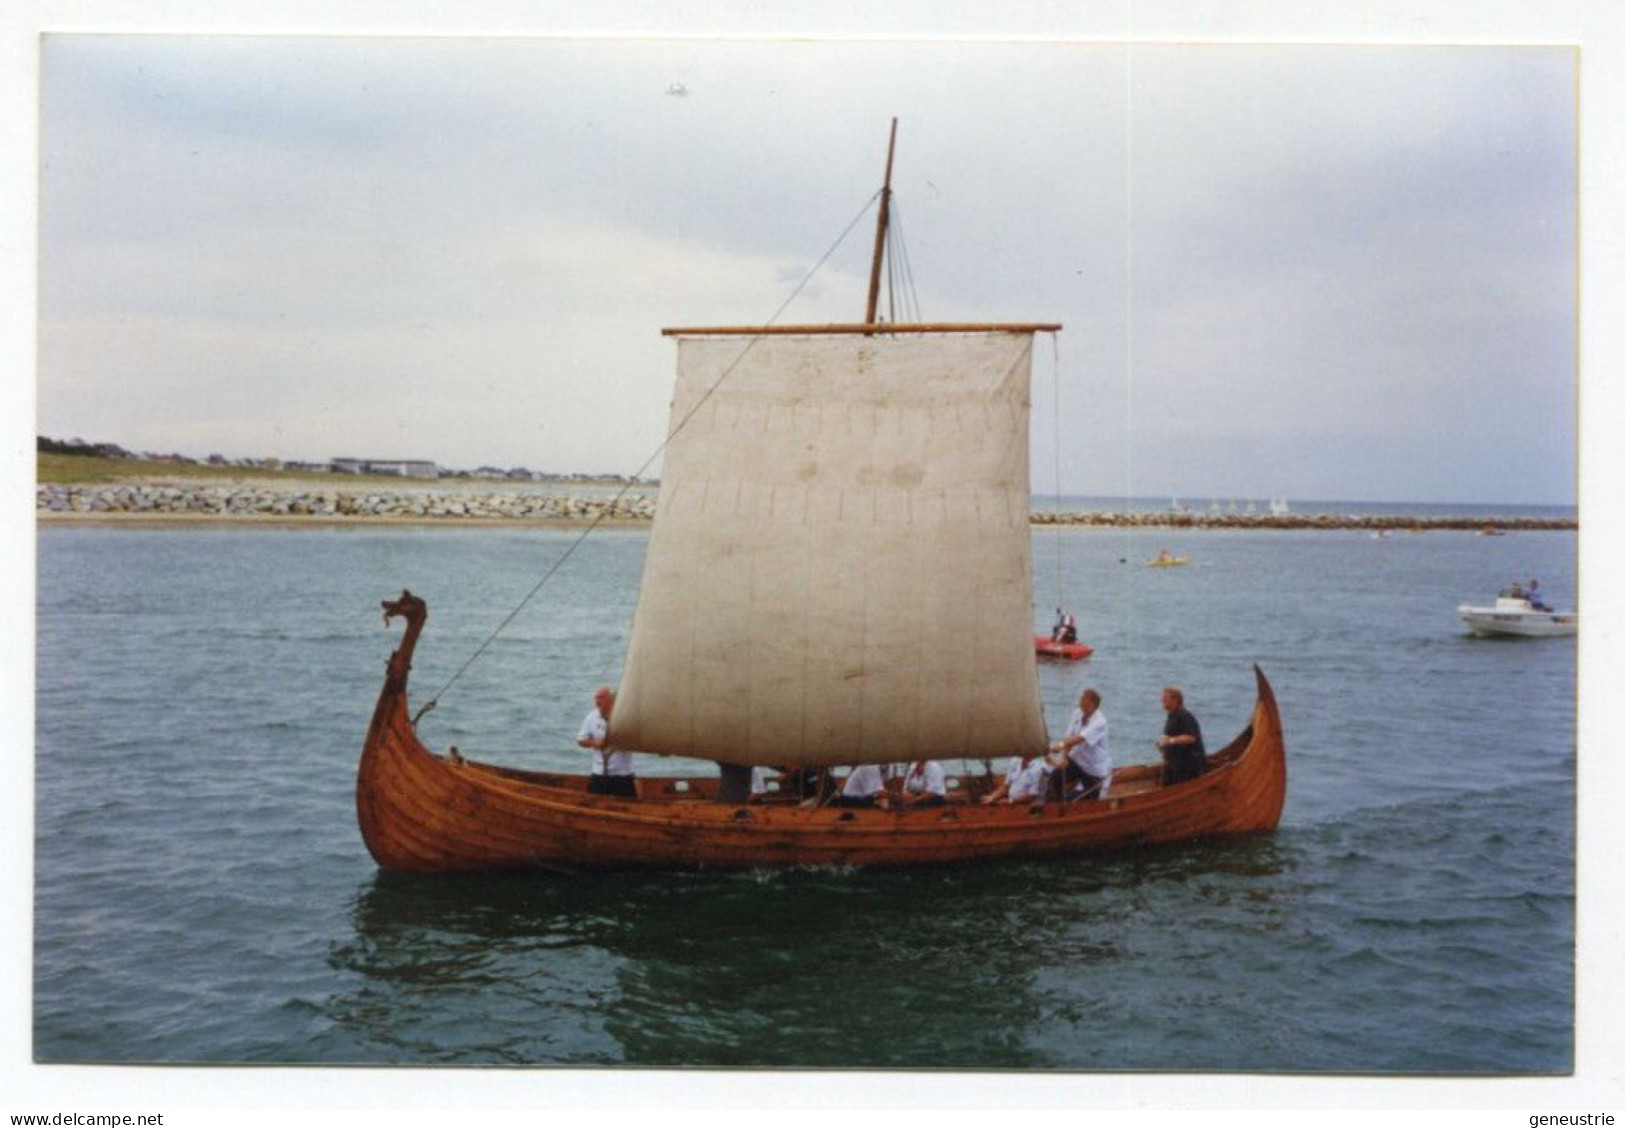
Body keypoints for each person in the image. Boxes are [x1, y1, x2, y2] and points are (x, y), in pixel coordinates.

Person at [1049, 688, 1110, 801]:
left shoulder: (1100, 722)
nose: (1080, 701)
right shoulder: (1077, 713)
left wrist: (1058, 746)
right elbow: (1070, 737)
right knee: (1053, 780)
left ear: (1092, 703)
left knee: (1085, 800)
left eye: (1083, 699)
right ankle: (1056, 806)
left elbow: (1080, 738)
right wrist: (1064, 757)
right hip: (1077, 761)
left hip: (1092, 769)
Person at [577, 686, 636, 797]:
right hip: (599, 774)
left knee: (627, 805)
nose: (597, 702)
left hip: (623, 775)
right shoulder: (592, 717)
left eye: (601, 698)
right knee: (594, 805)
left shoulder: (625, 716)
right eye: (596, 698)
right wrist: (594, 742)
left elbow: (638, 738)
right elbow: (581, 740)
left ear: (611, 700)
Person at [1157, 686, 1206, 786]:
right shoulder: (1172, 715)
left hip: (1187, 766)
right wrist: (1163, 746)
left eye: (1165, 698)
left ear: (1175, 699)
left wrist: (1170, 741)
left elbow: (1191, 738)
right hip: (1174, 763)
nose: (1162, 700)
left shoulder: (1184, 716)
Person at [981, 751, 1049, 805]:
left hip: (1030, 806)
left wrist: (1011, 801)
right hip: (1013, 805)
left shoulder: (1038, 768)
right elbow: (1006, 786)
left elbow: (1032, 795)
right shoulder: (1014, 761)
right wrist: (992, 797)